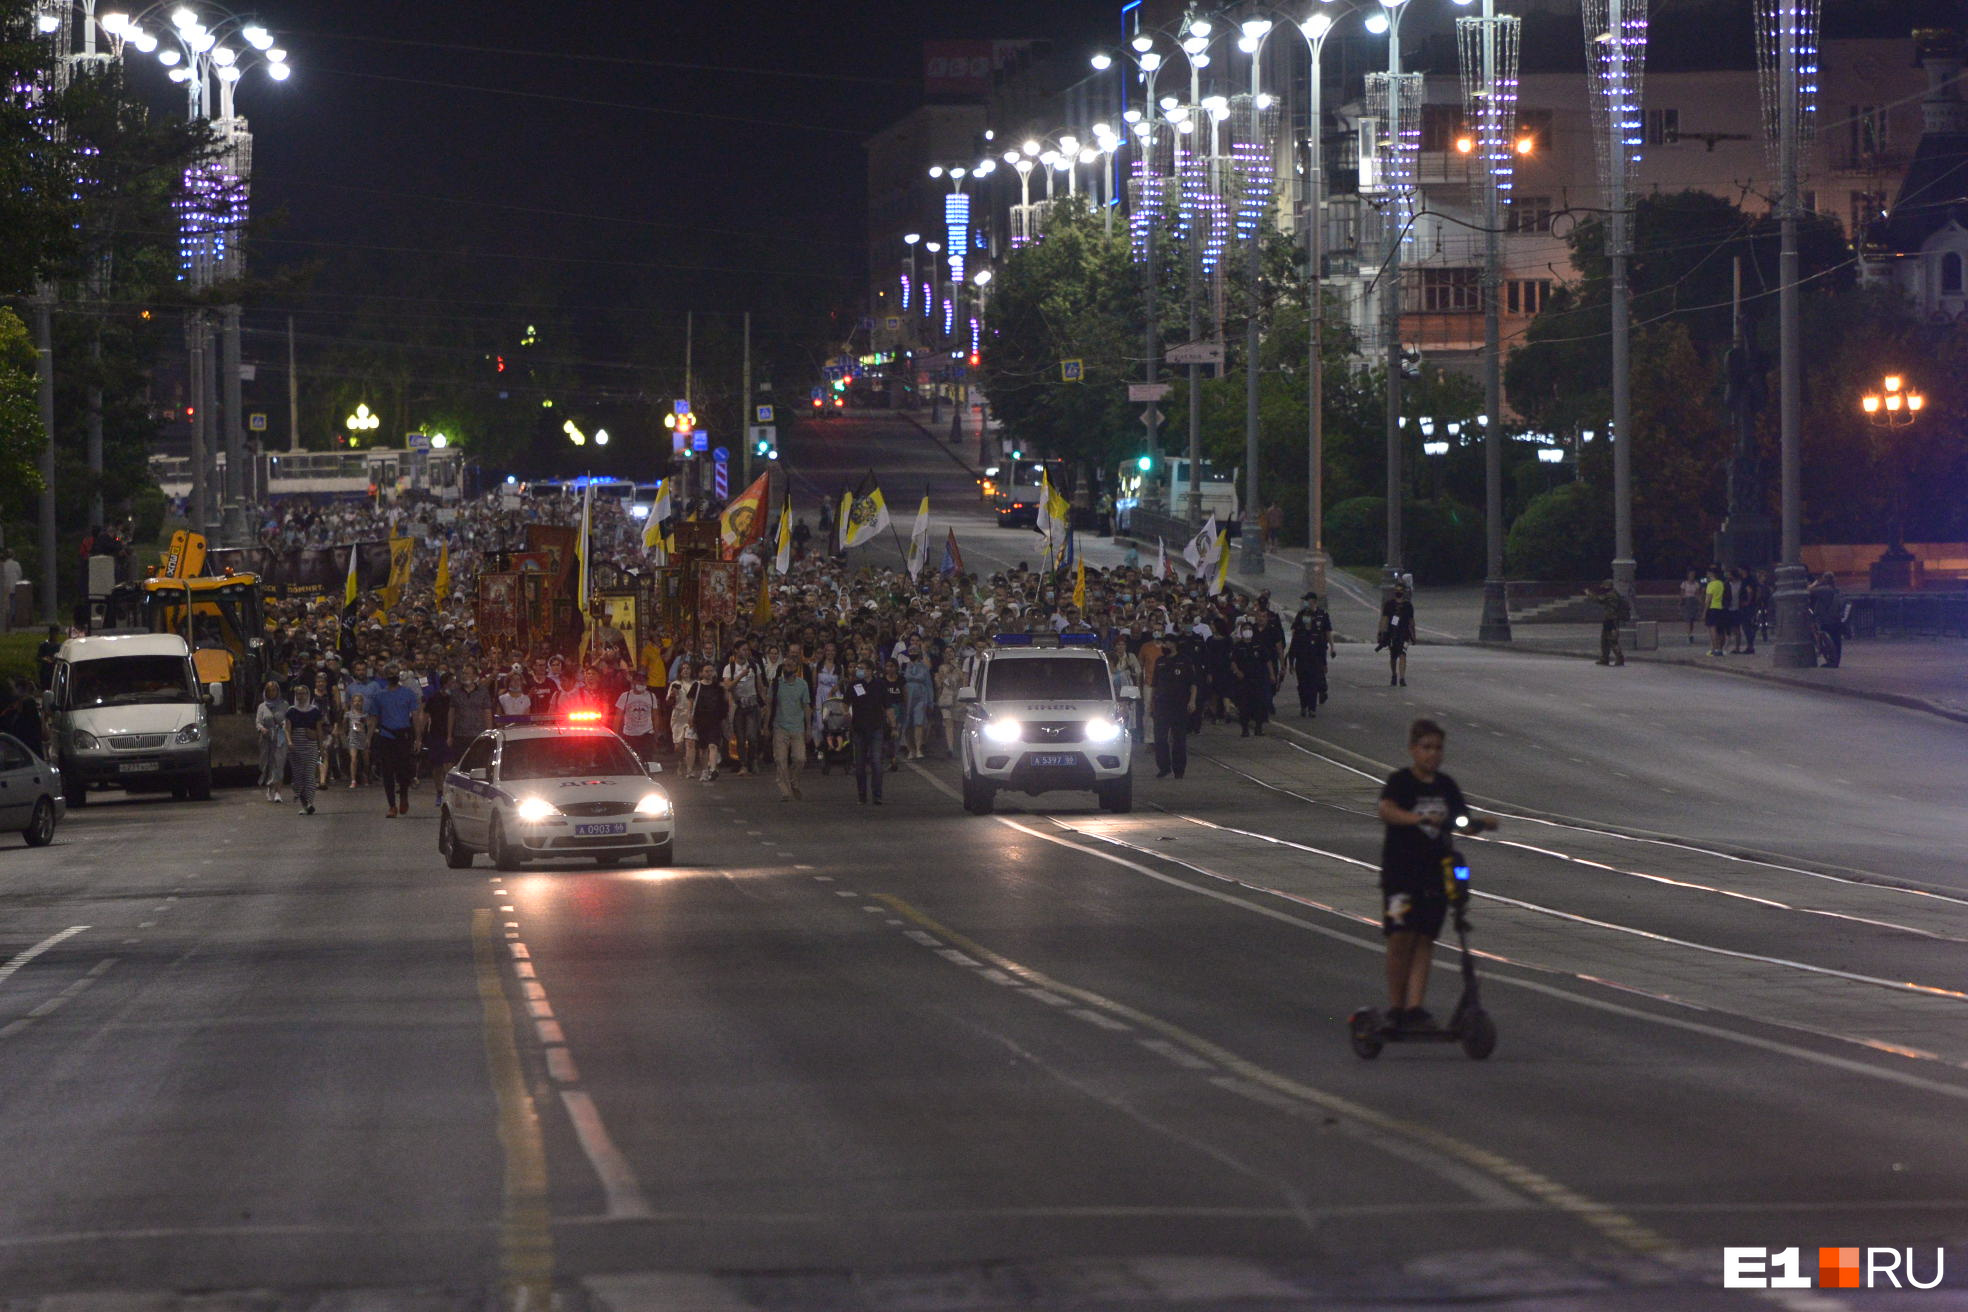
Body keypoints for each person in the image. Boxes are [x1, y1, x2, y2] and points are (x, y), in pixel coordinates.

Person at [1375, 718, 1496, 1028]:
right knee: (1400, 937)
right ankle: (1396, 1007)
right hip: (1401, 873)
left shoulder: (1446, 786)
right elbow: (1386, 809)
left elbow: (1461, 821)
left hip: (1435, 874)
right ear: (1413, 749)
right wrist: (1416, 819)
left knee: (1425, 937)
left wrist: (1481, 824)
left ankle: (1414, 1007)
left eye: (1438, 748)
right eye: (1426, 747)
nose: (1432, 754)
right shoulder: (1401, 782)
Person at [370, 668, 424, 818]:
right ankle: (392, 805)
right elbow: (374, 718)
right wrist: (368, 737)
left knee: (403, 769)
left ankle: (404, 795)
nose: (392, 676)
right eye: (390, 674)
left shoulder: (408, 693)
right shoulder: (379, 695)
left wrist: (418, 738)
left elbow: (415, 716)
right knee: (387, 771)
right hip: (386, 735)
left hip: (403, 735)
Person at [1149, 633, 1198, 780]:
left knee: (1179, 739)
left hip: (1179, 705)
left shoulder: (1185, 660)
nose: (1165, 645)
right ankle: (1164, 767)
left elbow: (1193, 683)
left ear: (1174, 644)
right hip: (1162, 705)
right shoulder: (1160, 661)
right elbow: (1154, 685)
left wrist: (1192, 701)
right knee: (1160, 738)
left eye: (1167, 642)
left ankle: (1179, 769)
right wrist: (1151, 703)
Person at [844, 656, 893, 804]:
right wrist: (846, 714)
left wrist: (893, 724)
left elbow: (888, 706)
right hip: (859, 728)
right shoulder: (854, 685)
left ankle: (877, 795)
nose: (859, 670)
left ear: (871, 671)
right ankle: (862, 795)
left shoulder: (879, 685)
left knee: (876, 762)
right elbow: (845, 702)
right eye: (858, 668)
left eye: (862, 668)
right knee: (860, 764)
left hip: (876, 727)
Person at [768, 656, 811, 800]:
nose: (787, 668)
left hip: (797, 727)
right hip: (780, 727)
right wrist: (766, 726)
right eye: (785, 665)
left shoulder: (802, 685)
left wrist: (808, 728)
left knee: (800, 758)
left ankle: (794, 781)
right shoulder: (775, 684)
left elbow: (806, 707)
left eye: (790, 666)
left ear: (796, 668)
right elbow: (769, 705)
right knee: (780, 760)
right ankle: (785, 790)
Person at [1287, 599, 1334, 717]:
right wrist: (1291, 663)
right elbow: (1293, 648)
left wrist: (1324, 664)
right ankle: (1304, 706)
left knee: (1313, 685)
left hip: (1314, 663)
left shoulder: (1317, 633)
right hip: (1301, 662)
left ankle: (1312, 708)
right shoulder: (1299, 632)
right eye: (1305, 617)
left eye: (1308, 617)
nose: (1306, 619)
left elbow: (1321, 649)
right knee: (1302, 686)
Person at [285, 681, 326, 815]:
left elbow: (319, 731)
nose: (301, 696)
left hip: (310, 745)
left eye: (303, 694)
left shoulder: (314, 711)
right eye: (298, 694)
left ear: (308, 695)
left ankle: (309, 803)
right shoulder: (291, 711)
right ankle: (303, 802)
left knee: (309, 775)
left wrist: (321, 748)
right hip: (296, 746)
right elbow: (287, 729)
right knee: (298, 777)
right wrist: (289, 741)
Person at [689, 660, 728, 782]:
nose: (709, 673)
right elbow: (691, 702)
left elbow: (723, 703)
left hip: (715, 720)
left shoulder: (718, 687)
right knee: (703, 747)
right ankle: (704, 770)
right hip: (700, 720)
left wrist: (724, 718)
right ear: (701, 673)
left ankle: (713, 769)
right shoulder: (696, 686)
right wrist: (690, 717)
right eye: (706, 671)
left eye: (711, 671)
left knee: (713, 745)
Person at [254, 679, 290, 803]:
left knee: (279, 763)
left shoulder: (284, 704)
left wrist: (284, 725)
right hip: (266, 738)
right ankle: (270, 787)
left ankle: (278, 792)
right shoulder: (262, 706)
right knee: (268, 763)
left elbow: (288, 719)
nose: (272, 693)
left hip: (280, 737)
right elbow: (258, 722)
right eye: (269, 691)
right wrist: (262, 729)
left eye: (274, 690)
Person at [615, 671, 660, 762]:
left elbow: (655, 716)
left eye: (644, 681)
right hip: (629, 734)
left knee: (647, 760)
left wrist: (656, 735)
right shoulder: (625, 696)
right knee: (631, 761)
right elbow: (617, 717)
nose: (641, 683)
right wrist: (616, 735)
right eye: (639, 680)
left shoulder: (651, 696)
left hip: (647, 734)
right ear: (633, 681)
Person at [900, 642, 934, 760]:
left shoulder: (923, 667)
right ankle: (910, 749)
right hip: (907, 695)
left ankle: (919, 748)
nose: (912, 653)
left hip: (921, 695)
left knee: (918, 722)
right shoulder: (904, 666)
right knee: (907, 723)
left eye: (915, 651)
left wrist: (930, 701)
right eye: (911, 651)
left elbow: (928, 684)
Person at [1378, 584, 1414, 686]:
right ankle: (1394, 674)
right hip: (1392, 633)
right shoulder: (1389, 605)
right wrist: (1381, 632)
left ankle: (1402, 678)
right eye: (1397, 590)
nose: (1399, 592)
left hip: (1404, 634)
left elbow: (1411, 621)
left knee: (1403, 654)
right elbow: (1384, 619)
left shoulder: (1408, 605)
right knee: (1393, 656)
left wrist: (1413, 634)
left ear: (1403, 592)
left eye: (1400, 590)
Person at [1809, 571, 1843, 667]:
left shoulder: (1824, 589)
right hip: (1836, 618)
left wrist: (1815, 583)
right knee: (1836, 641)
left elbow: (1808, 591)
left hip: (1826, 619)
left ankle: (1831, 661)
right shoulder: (1836, 590)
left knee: (1827, 640)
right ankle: (1836, 661)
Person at [1592, 580, 1630, 667]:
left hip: (1611, 620)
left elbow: (1599, 599)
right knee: (1604, 640)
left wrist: (1589, 594)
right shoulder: (1614, 594)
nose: (1603, 589)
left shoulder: (1611, 594)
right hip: (1609, 619)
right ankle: (1604, 658)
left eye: (1604, 587)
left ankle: (1619, 658)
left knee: (1612, 640)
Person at [1703, 566, 1728, 657]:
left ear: (1711, 574)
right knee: (1720, 630)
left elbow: (1708, 600)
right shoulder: (1721, 583)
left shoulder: (1711, 585)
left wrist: (1704, 612)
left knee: (1712, 629)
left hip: (1712, 608)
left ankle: (1715, 648)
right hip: (1720, 608)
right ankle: (1720, 648)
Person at [1679, 569, 1702, 645]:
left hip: (1694, 602)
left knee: (1692, 620)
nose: (1692, 576)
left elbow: (1698, 594)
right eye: (1691, 575)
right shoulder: (1684, 584)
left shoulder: (1696, 584)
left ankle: (1691, 633)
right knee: (1688, 619)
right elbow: (1682, 593)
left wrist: (1700, 602)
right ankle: (1688, 635)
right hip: (1687, 602)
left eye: (1693, 575)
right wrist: (1681, 602)